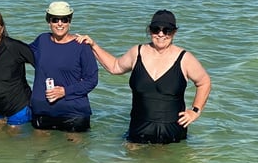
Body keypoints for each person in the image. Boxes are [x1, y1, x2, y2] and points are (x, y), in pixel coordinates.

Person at [78, 9, 211, 144]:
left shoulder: (184, 58)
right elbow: (115, 66)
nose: (161, 34)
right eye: (156, 29)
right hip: (138, 130)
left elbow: (204, 82)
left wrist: (195, 110)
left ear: (174, 32)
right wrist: (93, 46)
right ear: (150, 31)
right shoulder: (137, 52)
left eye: (167, 30)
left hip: (173, 134)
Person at [29, 1, 99, 133]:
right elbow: (18, 54)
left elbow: (92, 80)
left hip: (74, 114)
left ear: (70, 21)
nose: (60, 23)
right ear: (49, 21)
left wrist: (64, 91)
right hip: (42, 111)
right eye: (55, 20)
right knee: (37, 147)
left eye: (64, 20)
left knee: (73, 148)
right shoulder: (42, 40)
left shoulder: (81, 46)